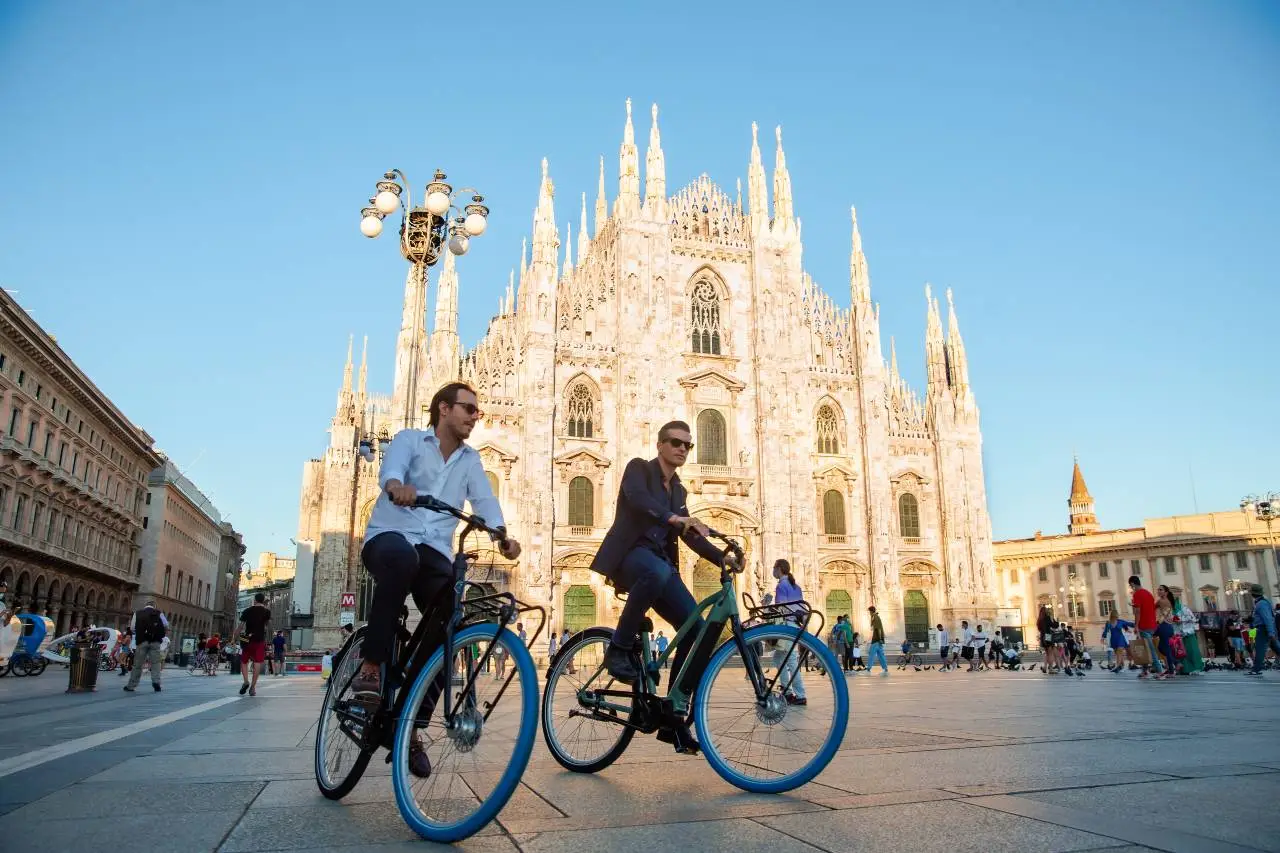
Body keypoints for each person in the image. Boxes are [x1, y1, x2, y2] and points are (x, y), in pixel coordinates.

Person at [352, 383, 521, 778]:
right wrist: (397, 487)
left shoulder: (470, 460)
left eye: (476, 411)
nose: (474, 416)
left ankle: (411, 725)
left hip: (434, 550)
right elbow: (390, 470)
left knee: (453, 623)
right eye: (468, 409)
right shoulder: (411, 440)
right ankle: (372, 665)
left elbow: (485, 500)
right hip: (391, 535)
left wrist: (501, 533)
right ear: (443, 409)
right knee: (401, 559)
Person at [588, 419, 738, 752]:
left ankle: (673, 713)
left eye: (687, 444)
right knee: (655, 572)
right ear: (660, 445)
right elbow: (637, 498)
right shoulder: (639, 469)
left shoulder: (680, 491)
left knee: (695, 629)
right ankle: (618, 647)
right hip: (629, 555)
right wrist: (673, 518)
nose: (682, 448)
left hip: (660, 562)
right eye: (675, 442)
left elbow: (689, 535)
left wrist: (720, 558)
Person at [772, 559, 807, 705]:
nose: (773, 571)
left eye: (774, 568)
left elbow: (781, 608)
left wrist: (766, 606)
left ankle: (799, 695)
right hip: (795, 626)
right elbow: (801, 608)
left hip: (786, 626)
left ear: (779, 569)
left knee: (791, 661)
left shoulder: (782, 585)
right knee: (778, 658)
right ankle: (786, 691)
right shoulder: (796, 586)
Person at [124, 600, 168, 693]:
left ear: (145, 606)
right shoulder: (159, 613)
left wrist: (141, 632)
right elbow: (165, 625)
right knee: (156, 663)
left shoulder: (138, 613)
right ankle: (156, 682)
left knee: (137, 664)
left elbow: (132, 628)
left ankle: (131, 685)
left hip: (142, 641)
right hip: (155, 641)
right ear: (154, 606)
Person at [1129, 575, 1162, 678]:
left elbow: (1138, 612)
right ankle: (1144, 670)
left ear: (1133, 584)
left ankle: (1159, 670)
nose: (1131, 587)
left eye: (1131, 585)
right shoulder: (1148, 593)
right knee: (1143, 647)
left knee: (1149, 649)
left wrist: (1136, 626)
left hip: (1144, 625)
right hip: (1152, 624)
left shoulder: (1137, 594)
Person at [238, 592, 271, 696]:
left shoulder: (247, 610)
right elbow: (267, 626)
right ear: (263, 600)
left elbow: (240, 626)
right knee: (257, 662)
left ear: (255, 600)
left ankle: (245, 681)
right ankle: (252, 687)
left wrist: (234, 638)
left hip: (247, 639)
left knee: (244, 661)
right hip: (260, 639)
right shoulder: (267, 612)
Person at [1247, 584, 1280, 677]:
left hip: (1263, 628)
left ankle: (1256, 669)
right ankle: (1256, 669)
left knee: (1260, 649)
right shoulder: (1262, 602)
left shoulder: (1261, 604)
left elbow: (1267, 618)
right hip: (1264, 628)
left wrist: (1271, 632)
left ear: (1253, 593)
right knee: (1276, 648)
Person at [867, 605, 888, 675]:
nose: (869, 613)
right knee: (881, 654)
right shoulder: (876, 617)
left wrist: (879, 639)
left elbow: (878, 629)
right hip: (879, 640)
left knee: (871, 654)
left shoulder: (875, 617)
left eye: (869, 612)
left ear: (871, 611)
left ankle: (868, 669)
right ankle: (885, 669)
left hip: (876, 639)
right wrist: (881, 639)